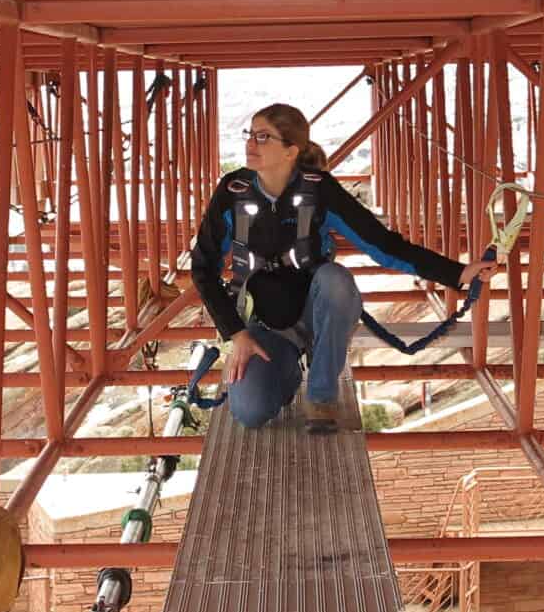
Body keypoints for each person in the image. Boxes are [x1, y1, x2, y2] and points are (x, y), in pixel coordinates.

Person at [189, 102, 494, 432]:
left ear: (291, 150)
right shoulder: (233, 192)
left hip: (315, 309)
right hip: (265, 322)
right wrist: (237, 334)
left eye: (263, 137)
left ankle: (321, 398)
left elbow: (383, 245)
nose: (250, 144)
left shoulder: (319, 189)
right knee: (250, 412)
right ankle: (288, 369)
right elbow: (202, 268)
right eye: (250, 134)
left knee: (337, 281)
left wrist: (458, 273)